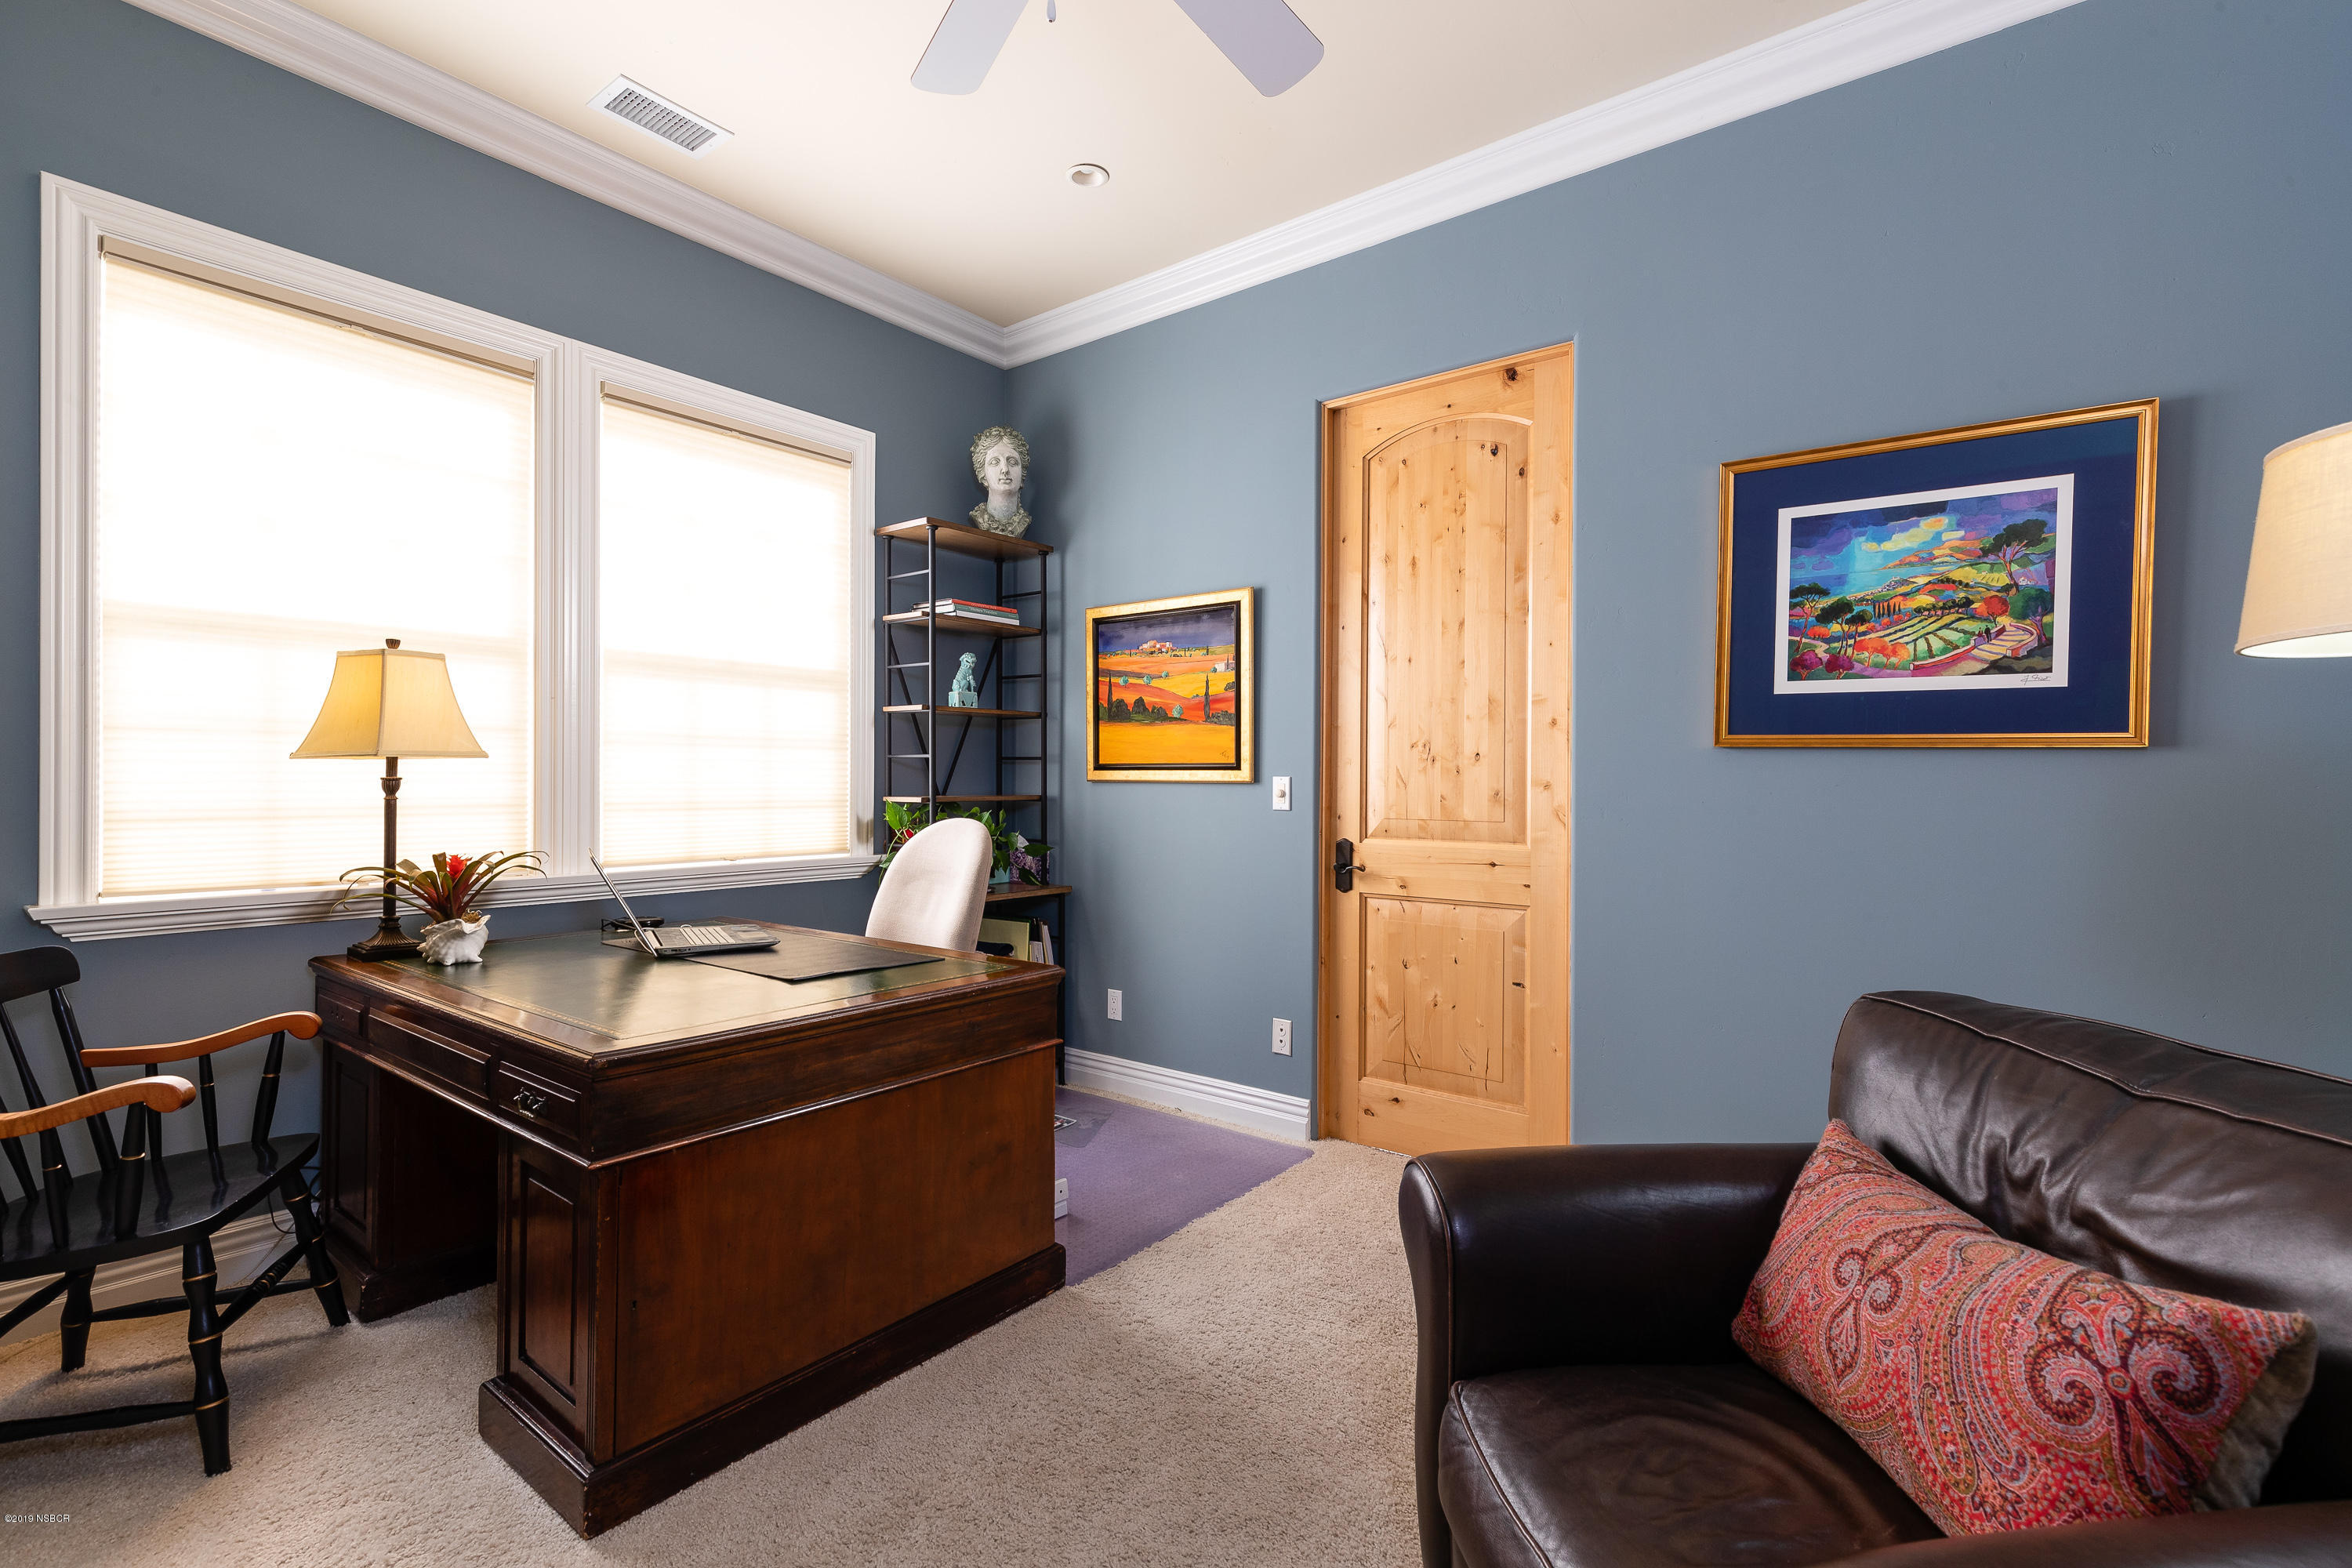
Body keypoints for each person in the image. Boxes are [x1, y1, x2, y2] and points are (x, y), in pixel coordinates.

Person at [967, 426, 1032, 537]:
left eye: (1012, 462)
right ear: (983, 474)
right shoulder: (980, 519)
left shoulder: (1024, 521)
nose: (1005, 469)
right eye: (995, 462)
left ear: (1022, 473)